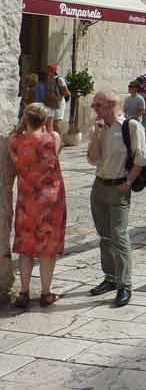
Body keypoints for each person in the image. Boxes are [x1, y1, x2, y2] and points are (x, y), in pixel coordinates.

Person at [86, 90, 146, 307]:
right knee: (104, 236)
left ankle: (124, 285)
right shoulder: (100, 128)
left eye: (97, 105)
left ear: (111, 105)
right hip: (99, 186)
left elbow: (142, 158)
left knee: (119, 235)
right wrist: (96, 135)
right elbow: (92, 159)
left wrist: (128, 182)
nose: (94, 109)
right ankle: (110, 278)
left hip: (119, 187)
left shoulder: (131, 127)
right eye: (94, 105)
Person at [9, 103, 66, 308]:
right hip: (50, 202)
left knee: (26, 248)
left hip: (27, 202)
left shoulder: (15, 141)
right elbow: (54, 152)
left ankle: (24, 292)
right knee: (47, 249)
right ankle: (45, 293)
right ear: (44, 119)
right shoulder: (52, 139)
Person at [43, 65, 69, 133]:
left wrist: (58, 97)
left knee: (55, 123)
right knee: (49, 123)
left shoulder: (59, 79)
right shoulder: (49, 79)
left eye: (48, 71)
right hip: (51, 103)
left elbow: (66, 92)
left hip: (59, 103)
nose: (46, 72)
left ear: (52, 71)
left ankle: (59, 140)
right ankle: (52, 140)